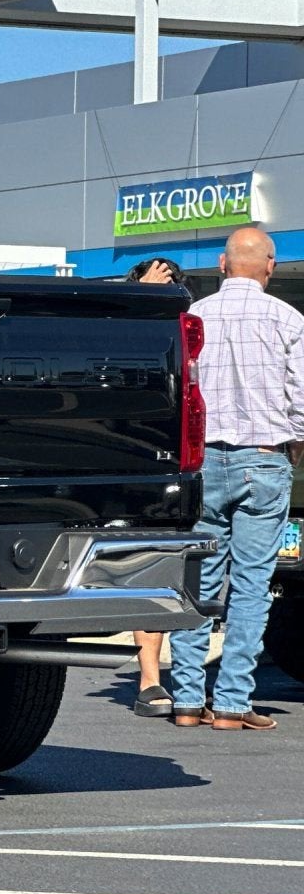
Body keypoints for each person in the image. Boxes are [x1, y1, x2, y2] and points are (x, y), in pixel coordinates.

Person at [172, 227, 303, 730]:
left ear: (224, 265)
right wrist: (294, 443)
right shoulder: (289, 319)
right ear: (270, 268)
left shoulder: (193, 318)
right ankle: (230, 702)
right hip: (263, 460)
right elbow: (302, 396)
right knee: (251, 586)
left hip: (202, 461)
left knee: (198, 582)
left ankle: (186, 699)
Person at [123, 258, 187, 716]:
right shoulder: (124, 338)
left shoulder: (189, 331)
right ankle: (151, 679)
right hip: (146, 464)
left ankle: (197, 688)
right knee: (153, 569)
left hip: (193, 462)